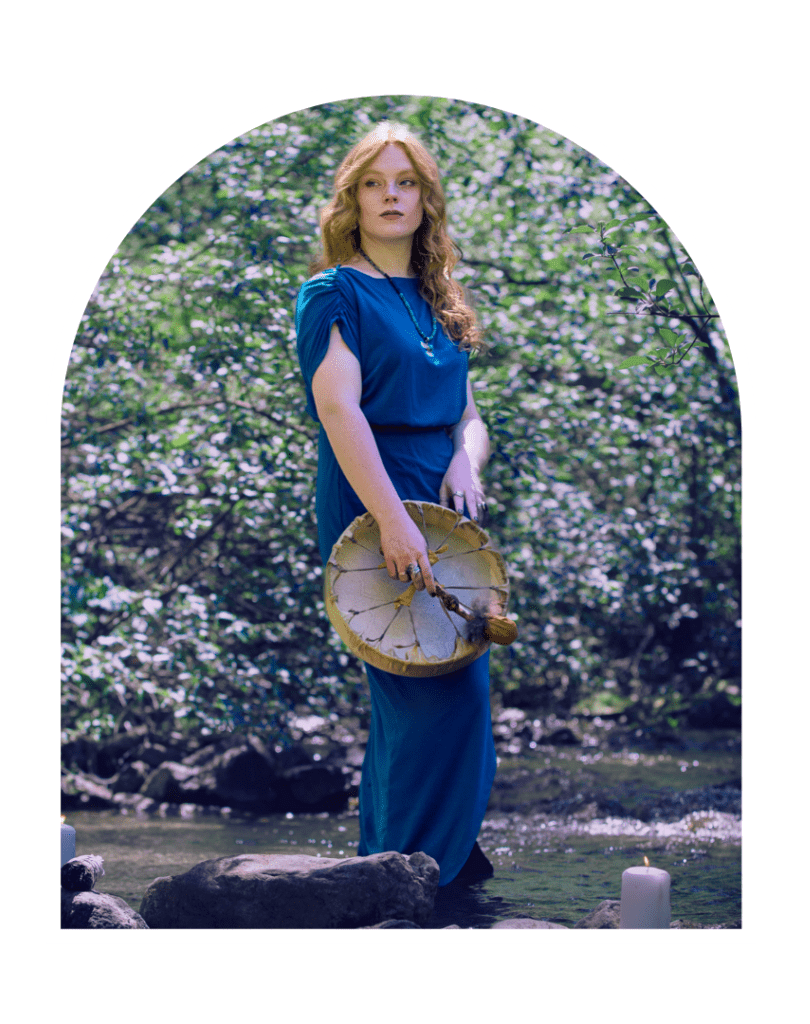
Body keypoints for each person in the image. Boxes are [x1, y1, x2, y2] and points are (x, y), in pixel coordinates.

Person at [294, 122, 496, 886]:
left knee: (460, 689)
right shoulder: (332, 292)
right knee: (417, 690)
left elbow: (468, 417)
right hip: (369, 491)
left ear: (425, 199)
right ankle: (409, 877)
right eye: (374, 183)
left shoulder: (441, 297)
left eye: (405, 182)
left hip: (445, 502)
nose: (390, 196)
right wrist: (393, 518)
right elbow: (340, 413)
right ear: (352, 198)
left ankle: (414, 863)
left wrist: (465, 463)